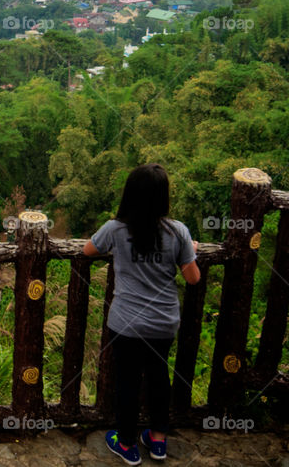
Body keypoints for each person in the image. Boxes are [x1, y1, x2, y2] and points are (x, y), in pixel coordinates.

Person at [83, 163, 200, 466]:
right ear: (163, 197)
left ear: (130, 195)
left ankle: (126, 444)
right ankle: (158, 441)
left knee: (128, 382)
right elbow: (193, 278)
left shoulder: (116, 229)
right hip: (163, 323)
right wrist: (191, 252)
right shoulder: (179, 232)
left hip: (127, 323)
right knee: (159, 378)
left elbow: (87, 250)